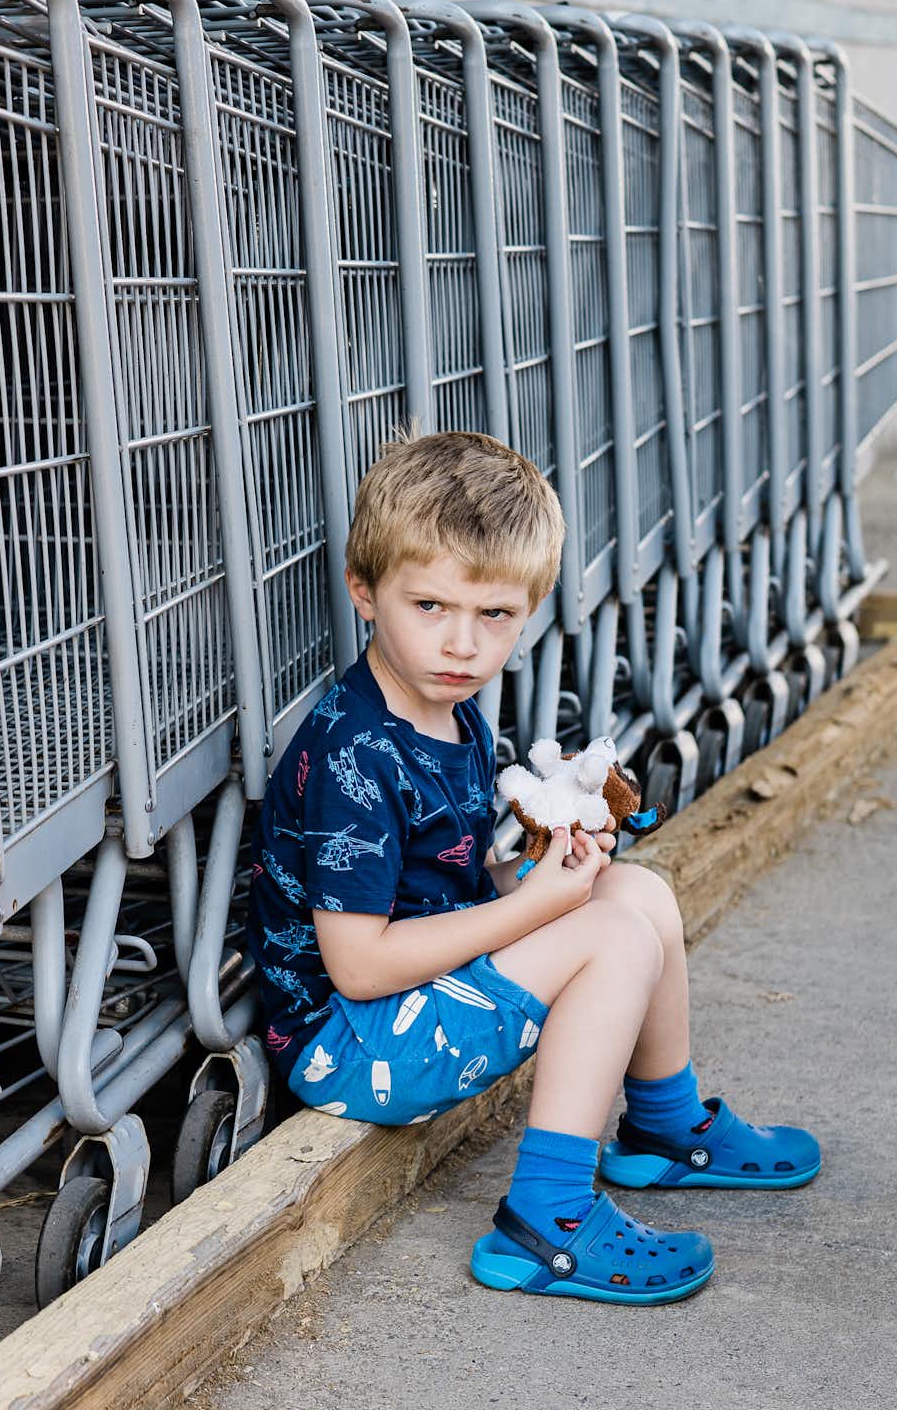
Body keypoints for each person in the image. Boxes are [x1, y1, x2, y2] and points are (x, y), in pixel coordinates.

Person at [245, 430, 819, 1304]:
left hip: (413, 998)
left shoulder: (450, 712)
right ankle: (544, 1222)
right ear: (364, 592)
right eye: (430, 606)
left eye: (495, 616)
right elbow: (358, 968)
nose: (463, 645)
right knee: (614, 941)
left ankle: (665, 1128)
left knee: (638, 892)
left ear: (532, 607)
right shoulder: (354, 754)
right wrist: (542, 908)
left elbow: (457, 886)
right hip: (350, 1048)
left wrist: (550, 879)